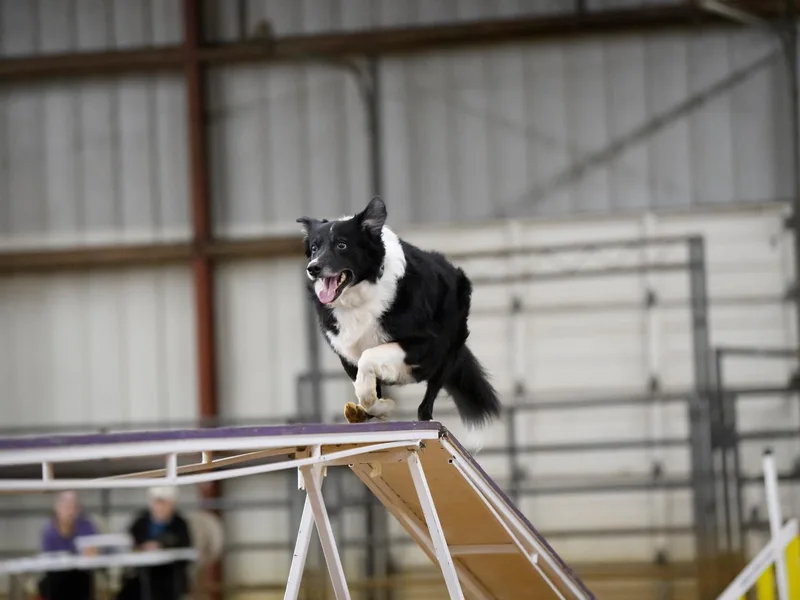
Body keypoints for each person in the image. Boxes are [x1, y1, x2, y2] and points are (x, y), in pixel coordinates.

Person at [116, 486, 193, 600]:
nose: (160, 507)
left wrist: (162, 545)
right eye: (157, 502)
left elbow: (185, 547)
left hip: (168, 575)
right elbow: (130, 538)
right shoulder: (141, 519)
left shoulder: (179, 523)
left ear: (171, 504)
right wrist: (142, 546)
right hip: (141, 574)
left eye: (164, 503)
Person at [38, 490, 98, 600]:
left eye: (72, 506)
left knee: (82, 580)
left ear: (77, 509)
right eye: (65, 505)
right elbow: (48, 557)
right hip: (57, 576)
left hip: (81, 575)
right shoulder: (49, 529)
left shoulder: (86, 525)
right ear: (57, 507)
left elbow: (93, 550)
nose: (69, 510)